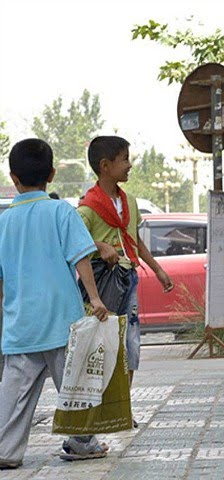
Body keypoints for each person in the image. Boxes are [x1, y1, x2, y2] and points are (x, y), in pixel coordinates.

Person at [0, 138, 109, 468]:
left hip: (20, 323)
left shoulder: (3, 222)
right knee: (75, 385)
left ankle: (5, 450)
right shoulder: (62, 211)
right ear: (51, 174)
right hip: (63, 321)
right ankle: (82, 442)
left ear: (12, 177)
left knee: (13, 393)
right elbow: (81, 260)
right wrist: (94, 298)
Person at [77, 136, 174, 421]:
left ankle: (122, 407)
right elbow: (74, 243)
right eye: (124, 159)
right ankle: (99, 408)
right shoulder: (88, 207)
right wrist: (99, 246)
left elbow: (136, 242)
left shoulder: (129, 201)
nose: (130, 165)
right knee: (102, 345)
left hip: (128, 280)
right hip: (103, 284)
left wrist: (157, 269)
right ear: (105, 166)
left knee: (129, 345)